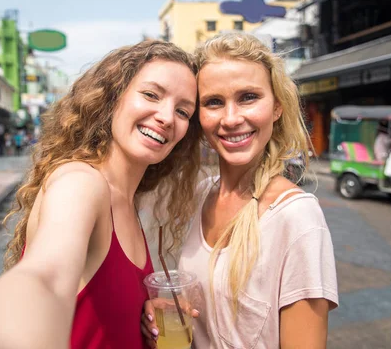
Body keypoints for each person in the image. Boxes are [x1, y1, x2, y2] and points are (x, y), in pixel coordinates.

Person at [0, 40, 201, 349]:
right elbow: (44, 280)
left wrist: (140, 315)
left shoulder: (127, 200)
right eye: (151, 95)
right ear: (113, 97)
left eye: (183, 111)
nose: (166, 116)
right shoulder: (82, 183)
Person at [142, 33, 339, 348]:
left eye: (248, 97)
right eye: (214, 102)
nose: (231, 119)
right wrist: (165, 316)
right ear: (198, 117)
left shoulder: (297, 217)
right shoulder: (198, 195)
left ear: (276, 107)